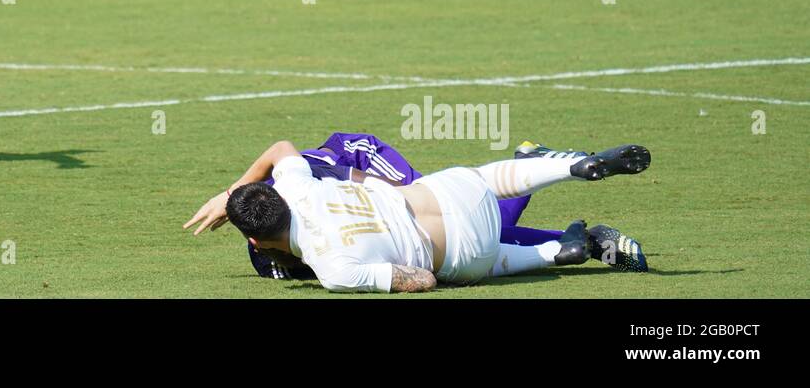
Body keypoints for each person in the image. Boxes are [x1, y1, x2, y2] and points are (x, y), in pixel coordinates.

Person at [187, 138, 649, 292]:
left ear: (258, 242)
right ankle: (565, 165)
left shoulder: (332, 272)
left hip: (467, 254)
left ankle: (561, 251)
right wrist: (227, 194)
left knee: (475, 258)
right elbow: (281, 148)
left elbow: (423, 282)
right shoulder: (294, 182)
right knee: (485, 180)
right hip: (442, 193)